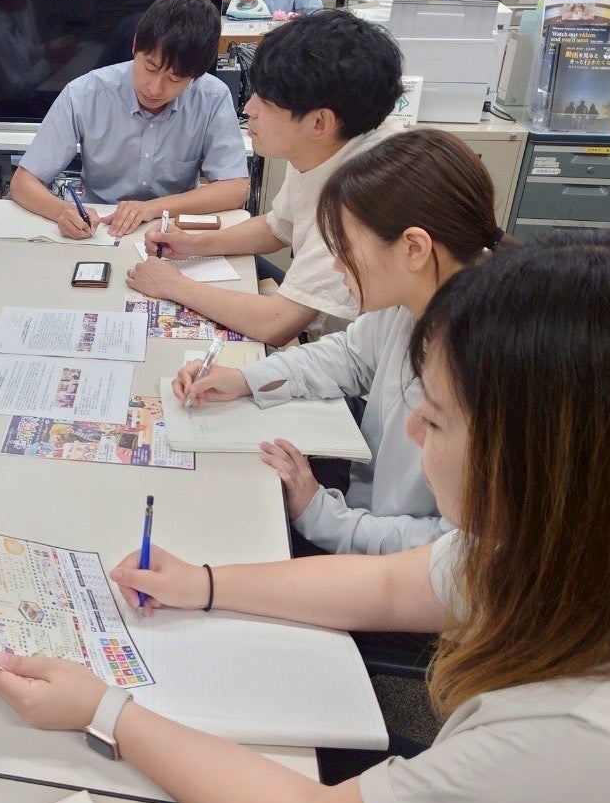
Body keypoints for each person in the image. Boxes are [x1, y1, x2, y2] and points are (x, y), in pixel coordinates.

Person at [0, 229, 610, 803]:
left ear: (544, 460)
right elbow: (391, 586)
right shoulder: (559, 547)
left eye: (435, 417)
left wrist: (104, 711)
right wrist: (203, 583)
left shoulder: (576, 736)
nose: (411, 429)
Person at [173, 129, 499, 555]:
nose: (335, 265)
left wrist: (320, 514)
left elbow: (454, 550)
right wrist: (245, 379)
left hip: (390, 561)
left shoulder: (485, 362)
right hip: (363, 511)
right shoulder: (421, 296)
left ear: (414, 248)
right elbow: (350, 355)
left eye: (345, 247)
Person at [129, 9, 404, 345]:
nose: (249, 109)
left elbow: (276, 324)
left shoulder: (364, 194)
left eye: (266, 101)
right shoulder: (326, 142)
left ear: (319, 122)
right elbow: (277, 227)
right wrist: (195, 245)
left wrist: (173, 285)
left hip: (362, 359)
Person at [9, 0, 249, 240]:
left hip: (173, 229)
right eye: (150, 68)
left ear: (196, 75)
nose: (155, 89)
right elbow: (23, 182)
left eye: (175, 79)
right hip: (99, 228)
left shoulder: (211, 97)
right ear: (135, 46)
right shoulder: (85, 93)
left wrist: (151, 208)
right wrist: (63, 211)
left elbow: (235, 188)